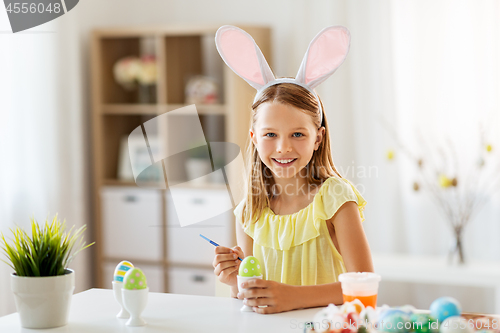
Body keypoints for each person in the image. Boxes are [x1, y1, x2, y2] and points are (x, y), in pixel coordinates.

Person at [212, 25, 374, 314]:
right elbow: (256, 295)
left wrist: (291, 297)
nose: (283, 148)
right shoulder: (249, 211)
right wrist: (236, 281)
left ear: (318, 138)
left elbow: (363, 289)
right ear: (254, 138)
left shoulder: (335, 198)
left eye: (297, 135)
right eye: (270, 135)